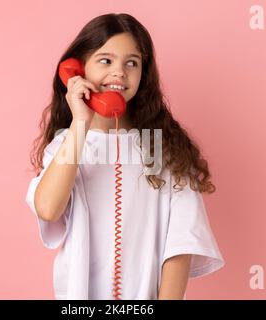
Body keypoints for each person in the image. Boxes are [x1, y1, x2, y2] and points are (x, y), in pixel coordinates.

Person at [25, 13, 225, 300]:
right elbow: (47, 208)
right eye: (105, 60)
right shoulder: (68, 145)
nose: (119, 72)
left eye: (131, 63)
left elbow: (180, 239)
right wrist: (80, 123)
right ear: (77, 70)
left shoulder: (158, 146)